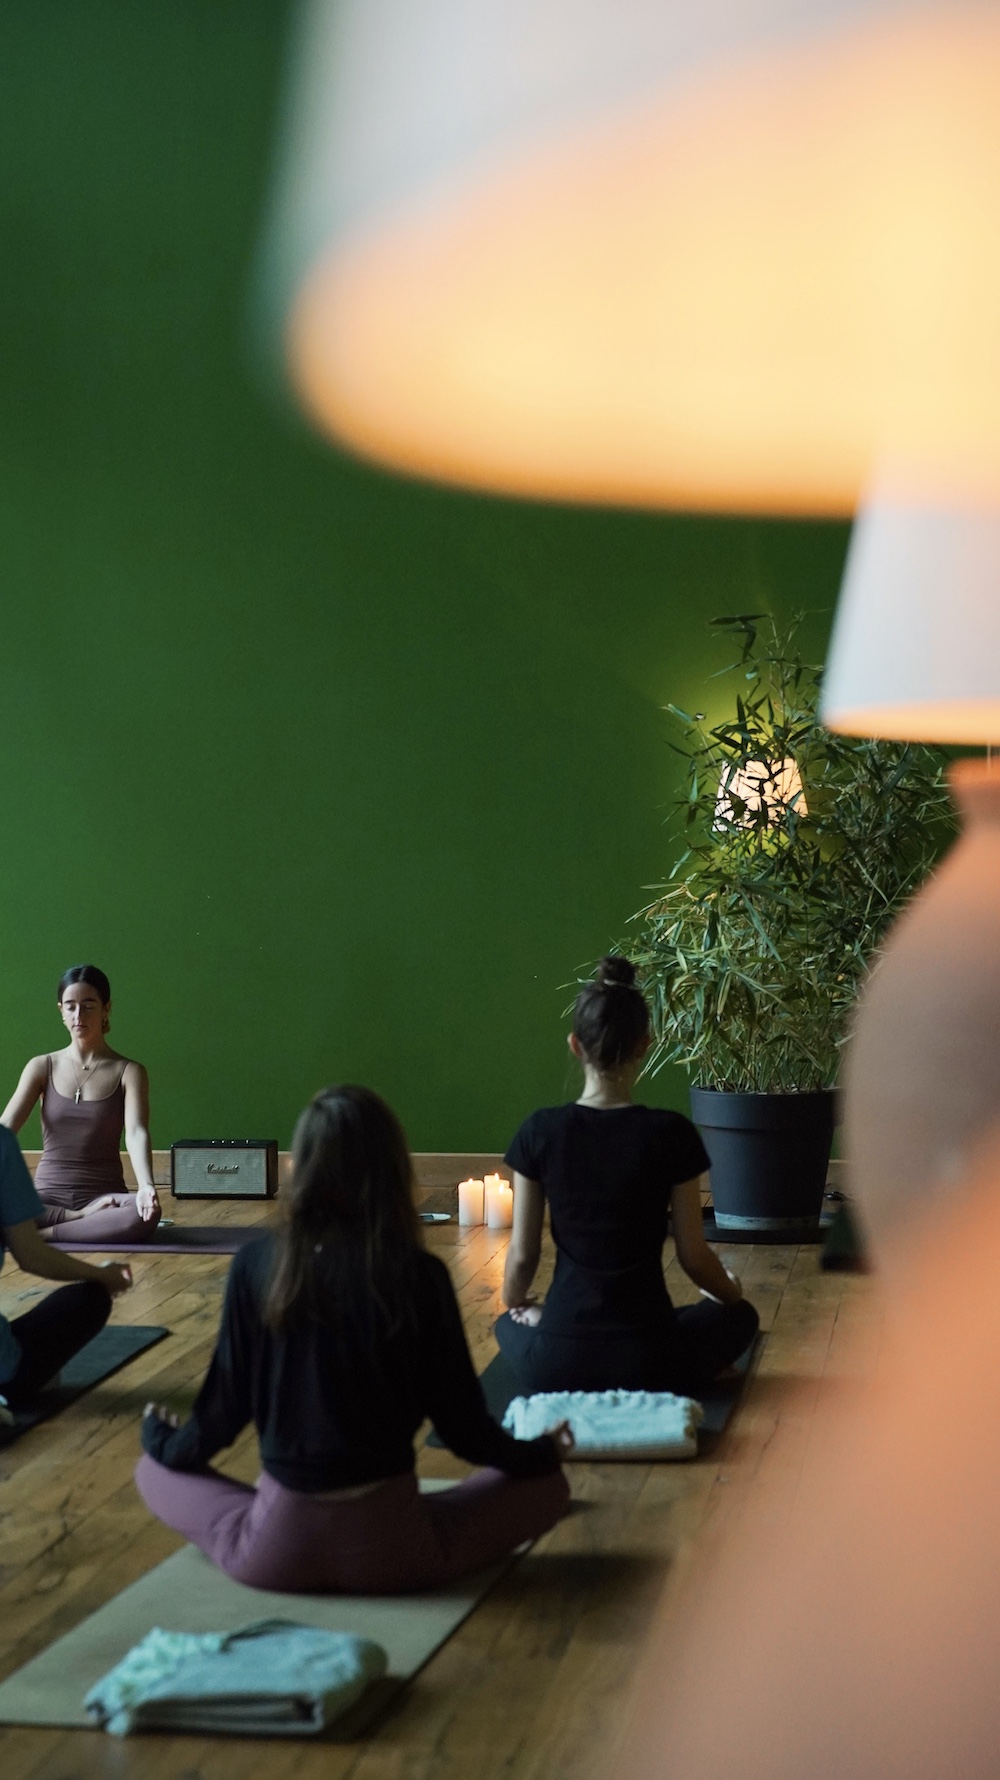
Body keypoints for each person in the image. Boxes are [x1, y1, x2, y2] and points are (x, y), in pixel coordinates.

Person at [136, 1085, 572, 1595]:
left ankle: (256, 1534)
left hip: (276, 1552)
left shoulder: (257, 1265)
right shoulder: (419, 1275)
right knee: (549, 1487)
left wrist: (161, 1441)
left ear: (301, 1167)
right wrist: (540, 1454)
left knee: (152, 1472)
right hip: (396, 1552)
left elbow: (220, 1416)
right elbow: (465, 1431)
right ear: (392, 1170)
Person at [495, 956, 759, 1396]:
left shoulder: (539, 1131)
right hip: (651, 1362)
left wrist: (516, 1304)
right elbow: (694, 1257)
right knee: (740, 1317)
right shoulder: (671, 1133)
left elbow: (523, 1256)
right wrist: (730, 1293)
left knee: (507, 1323)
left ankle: (545, 1324)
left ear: (575, 1045)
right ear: (644, 1045)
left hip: (559, 1363)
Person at [1, 965, 161, 1245]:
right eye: (71, 1006)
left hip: (105, 1199)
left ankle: (40, 1237)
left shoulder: (129, 1071)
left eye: (88, 1006)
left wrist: (146, 1185)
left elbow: (136, 1132)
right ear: (61, 1010)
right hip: (46, 1198)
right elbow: (6, 1128)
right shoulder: (42, 1066)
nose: (78, 1015)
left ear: (106, 1008)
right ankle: (77, 1221)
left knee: (145, 1214)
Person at [0, 1122, 132, 1412]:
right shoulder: (2, 1143)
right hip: (5, 1373)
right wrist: (103, 1275)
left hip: (81, 1204)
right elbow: (32, 1256)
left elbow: (136, 1131)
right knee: (89, 1298)